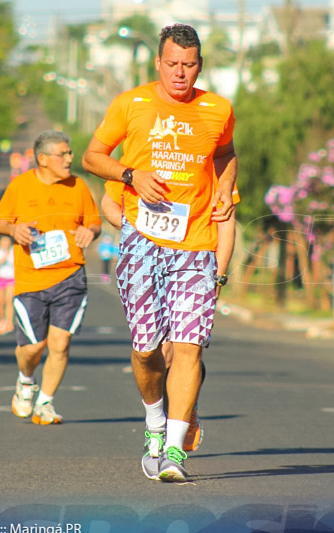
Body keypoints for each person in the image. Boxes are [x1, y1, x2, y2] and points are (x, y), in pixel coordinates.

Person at [82, 23, 237, 483]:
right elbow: (92, 157)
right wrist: (130, 175)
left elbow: (226, 154)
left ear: (200, 66)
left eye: (189, 65)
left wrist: (225, 188)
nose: (180, 74)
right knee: (147, 348)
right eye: (172, 64)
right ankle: (154, 423)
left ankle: (173, 450)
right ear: (158, 63)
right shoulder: (131, 103)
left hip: (195, 245)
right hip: (142, 240)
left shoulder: (218, 109)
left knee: (188, 347)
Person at [100, 179, 240, 454]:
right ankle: (161, 419)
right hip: (148, 260)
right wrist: (135, 227)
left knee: (186, 348)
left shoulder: (213, 166)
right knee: (156, 352)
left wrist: (219, 277)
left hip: (192, 262)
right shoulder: (150, 154)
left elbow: (226, 220)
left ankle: (185, 415)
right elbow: (109, 200)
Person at [0, 130, 101, 426]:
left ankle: (46, 403)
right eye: (62, 154)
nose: (69, 158)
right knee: (32, 348)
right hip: (31, 280)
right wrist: (14, 230)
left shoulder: (78, 186)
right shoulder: (20, 186)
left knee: (60, 343)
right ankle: (26, 380)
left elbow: (93, 220)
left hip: (71, 277)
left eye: (69, 153)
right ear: (43, 159)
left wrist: (89, 231)